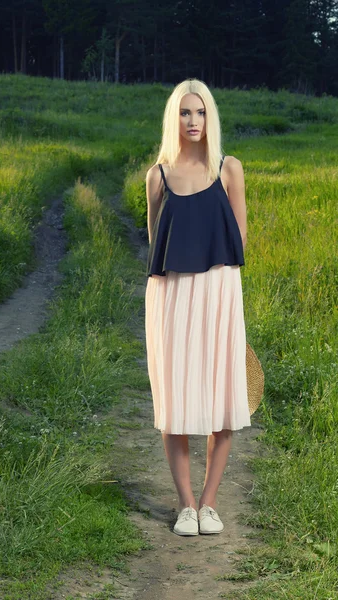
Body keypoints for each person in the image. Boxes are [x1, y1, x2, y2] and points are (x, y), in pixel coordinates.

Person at [145, 78, 251, 537]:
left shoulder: (229, 170)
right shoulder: (158, 175)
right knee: (177, 398)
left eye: (201, 112)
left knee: (222, 393)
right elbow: (156, 241)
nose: (193, 121)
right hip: (172, 296)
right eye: (185, 113)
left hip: (220, 290)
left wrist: (219, 295)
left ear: (211, 117)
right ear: (175, 118)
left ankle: (210, 504)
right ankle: (185, 505)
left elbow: (239, 238)